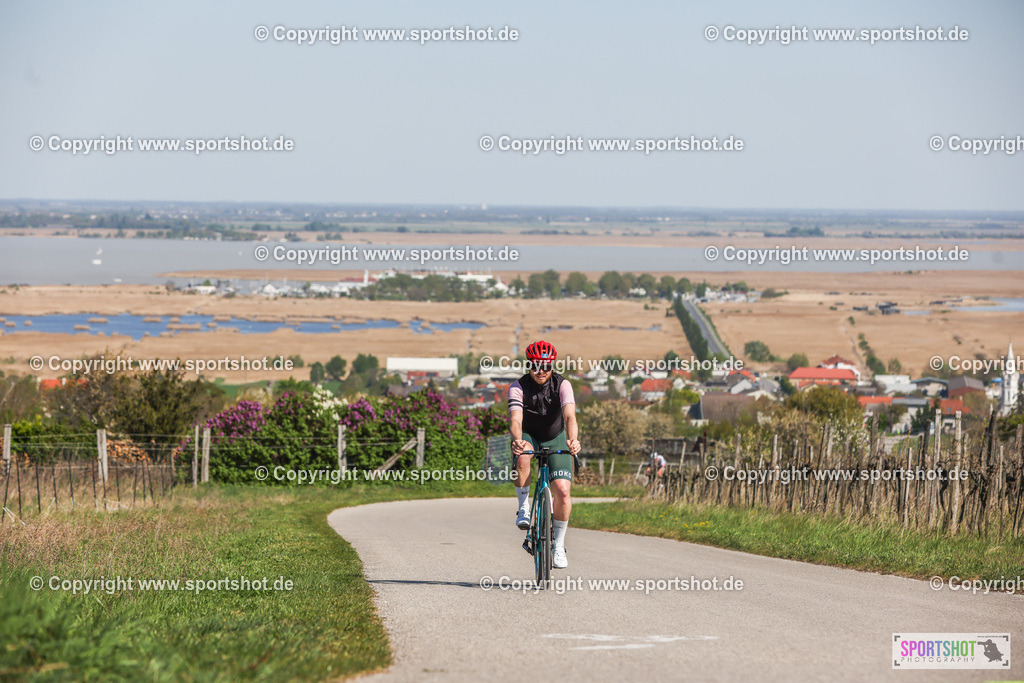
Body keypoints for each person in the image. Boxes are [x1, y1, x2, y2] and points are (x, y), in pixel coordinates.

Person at [508, 340, 581, 569]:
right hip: (528, 435)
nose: (541, 371)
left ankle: (558, 544)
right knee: (523, 455)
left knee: (563, 492)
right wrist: (518, 440)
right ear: (528, 365)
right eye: (535, 366)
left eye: (546, 366)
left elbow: (570, 416)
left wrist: (573, 440)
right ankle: (524, 507)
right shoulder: (518, 387)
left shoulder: (563, 385)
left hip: (555, 436)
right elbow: (516, 420)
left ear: (552, 366)